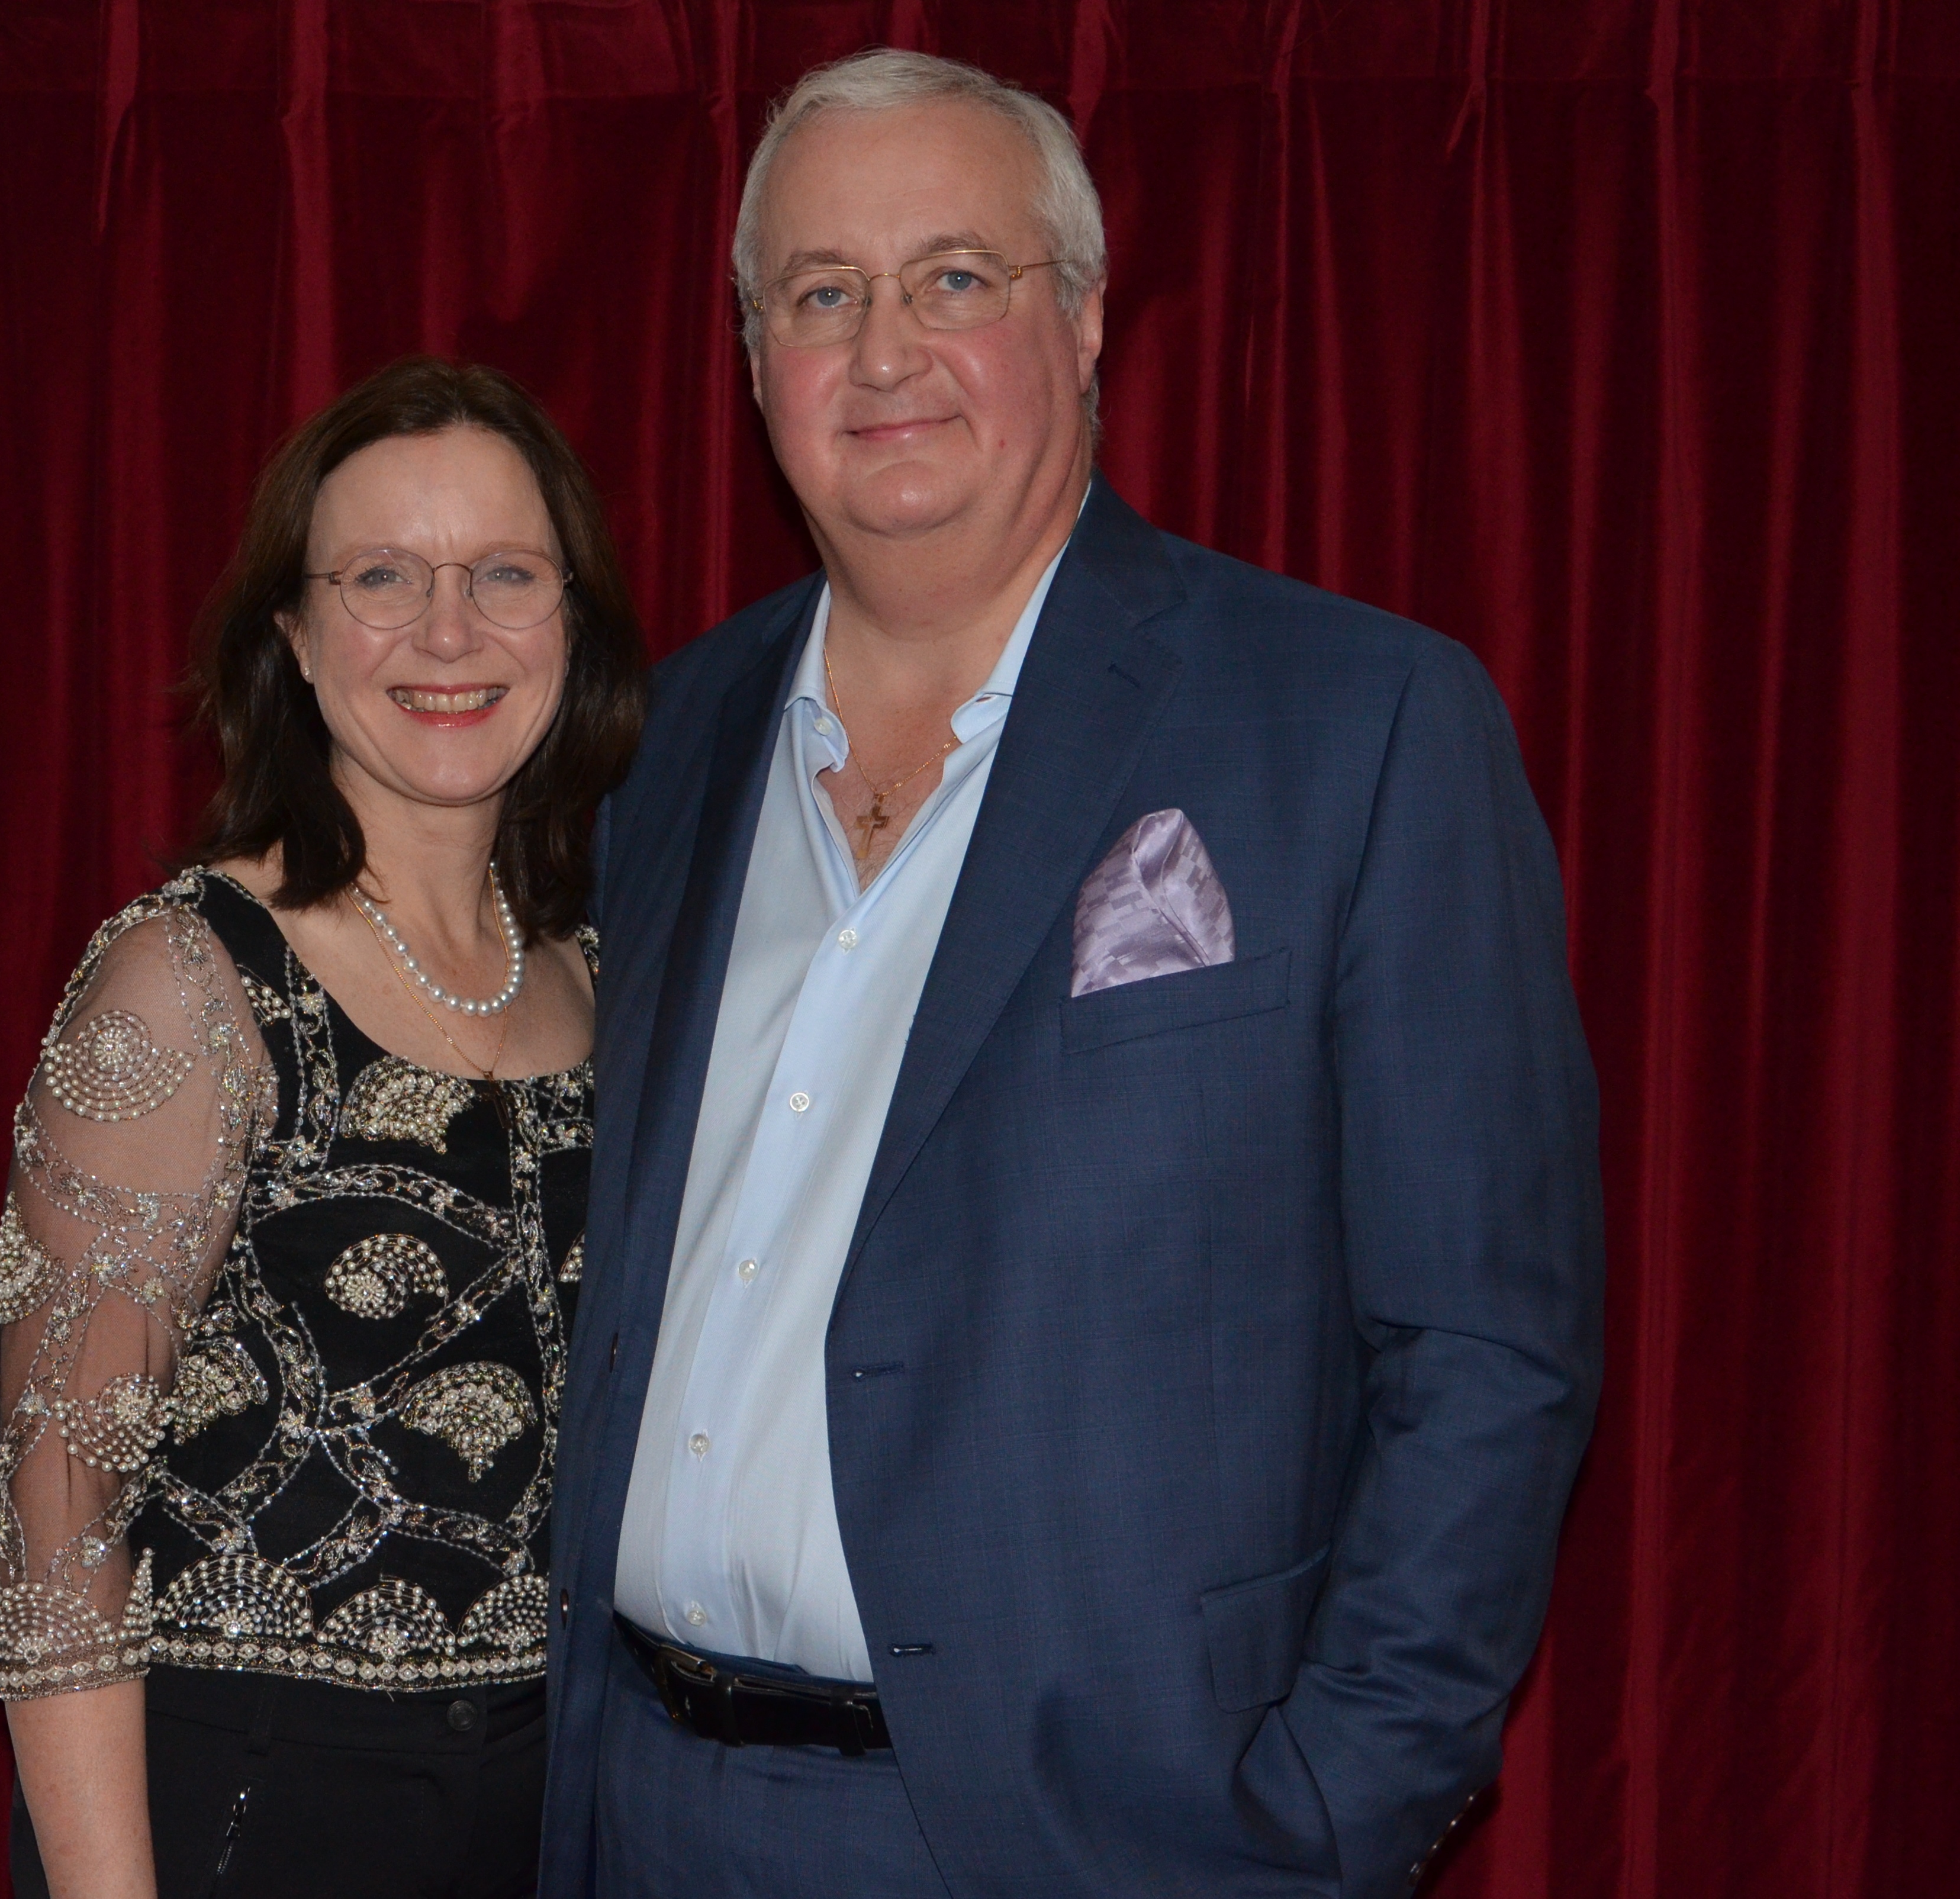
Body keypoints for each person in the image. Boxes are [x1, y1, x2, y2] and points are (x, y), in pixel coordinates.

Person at [543, 49, 1602, 1899]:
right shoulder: (662, 742)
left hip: (1102, 1842)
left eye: (955, 277)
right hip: (638, 1808)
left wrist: (1331, 1814)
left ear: (1089, 315)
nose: (885, 352)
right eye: (821, 294)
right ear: (755, 355)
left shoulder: (1358, 725)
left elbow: (1486, 1352)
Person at [0, 356, 646, 1899]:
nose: (448, 632)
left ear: (573, 625)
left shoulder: (612, 977)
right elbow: (58, 1522)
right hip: (246, 1806)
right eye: (382, 578)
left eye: (504, 574)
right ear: (291, 633)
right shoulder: (190, 978)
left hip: (554, 1810)